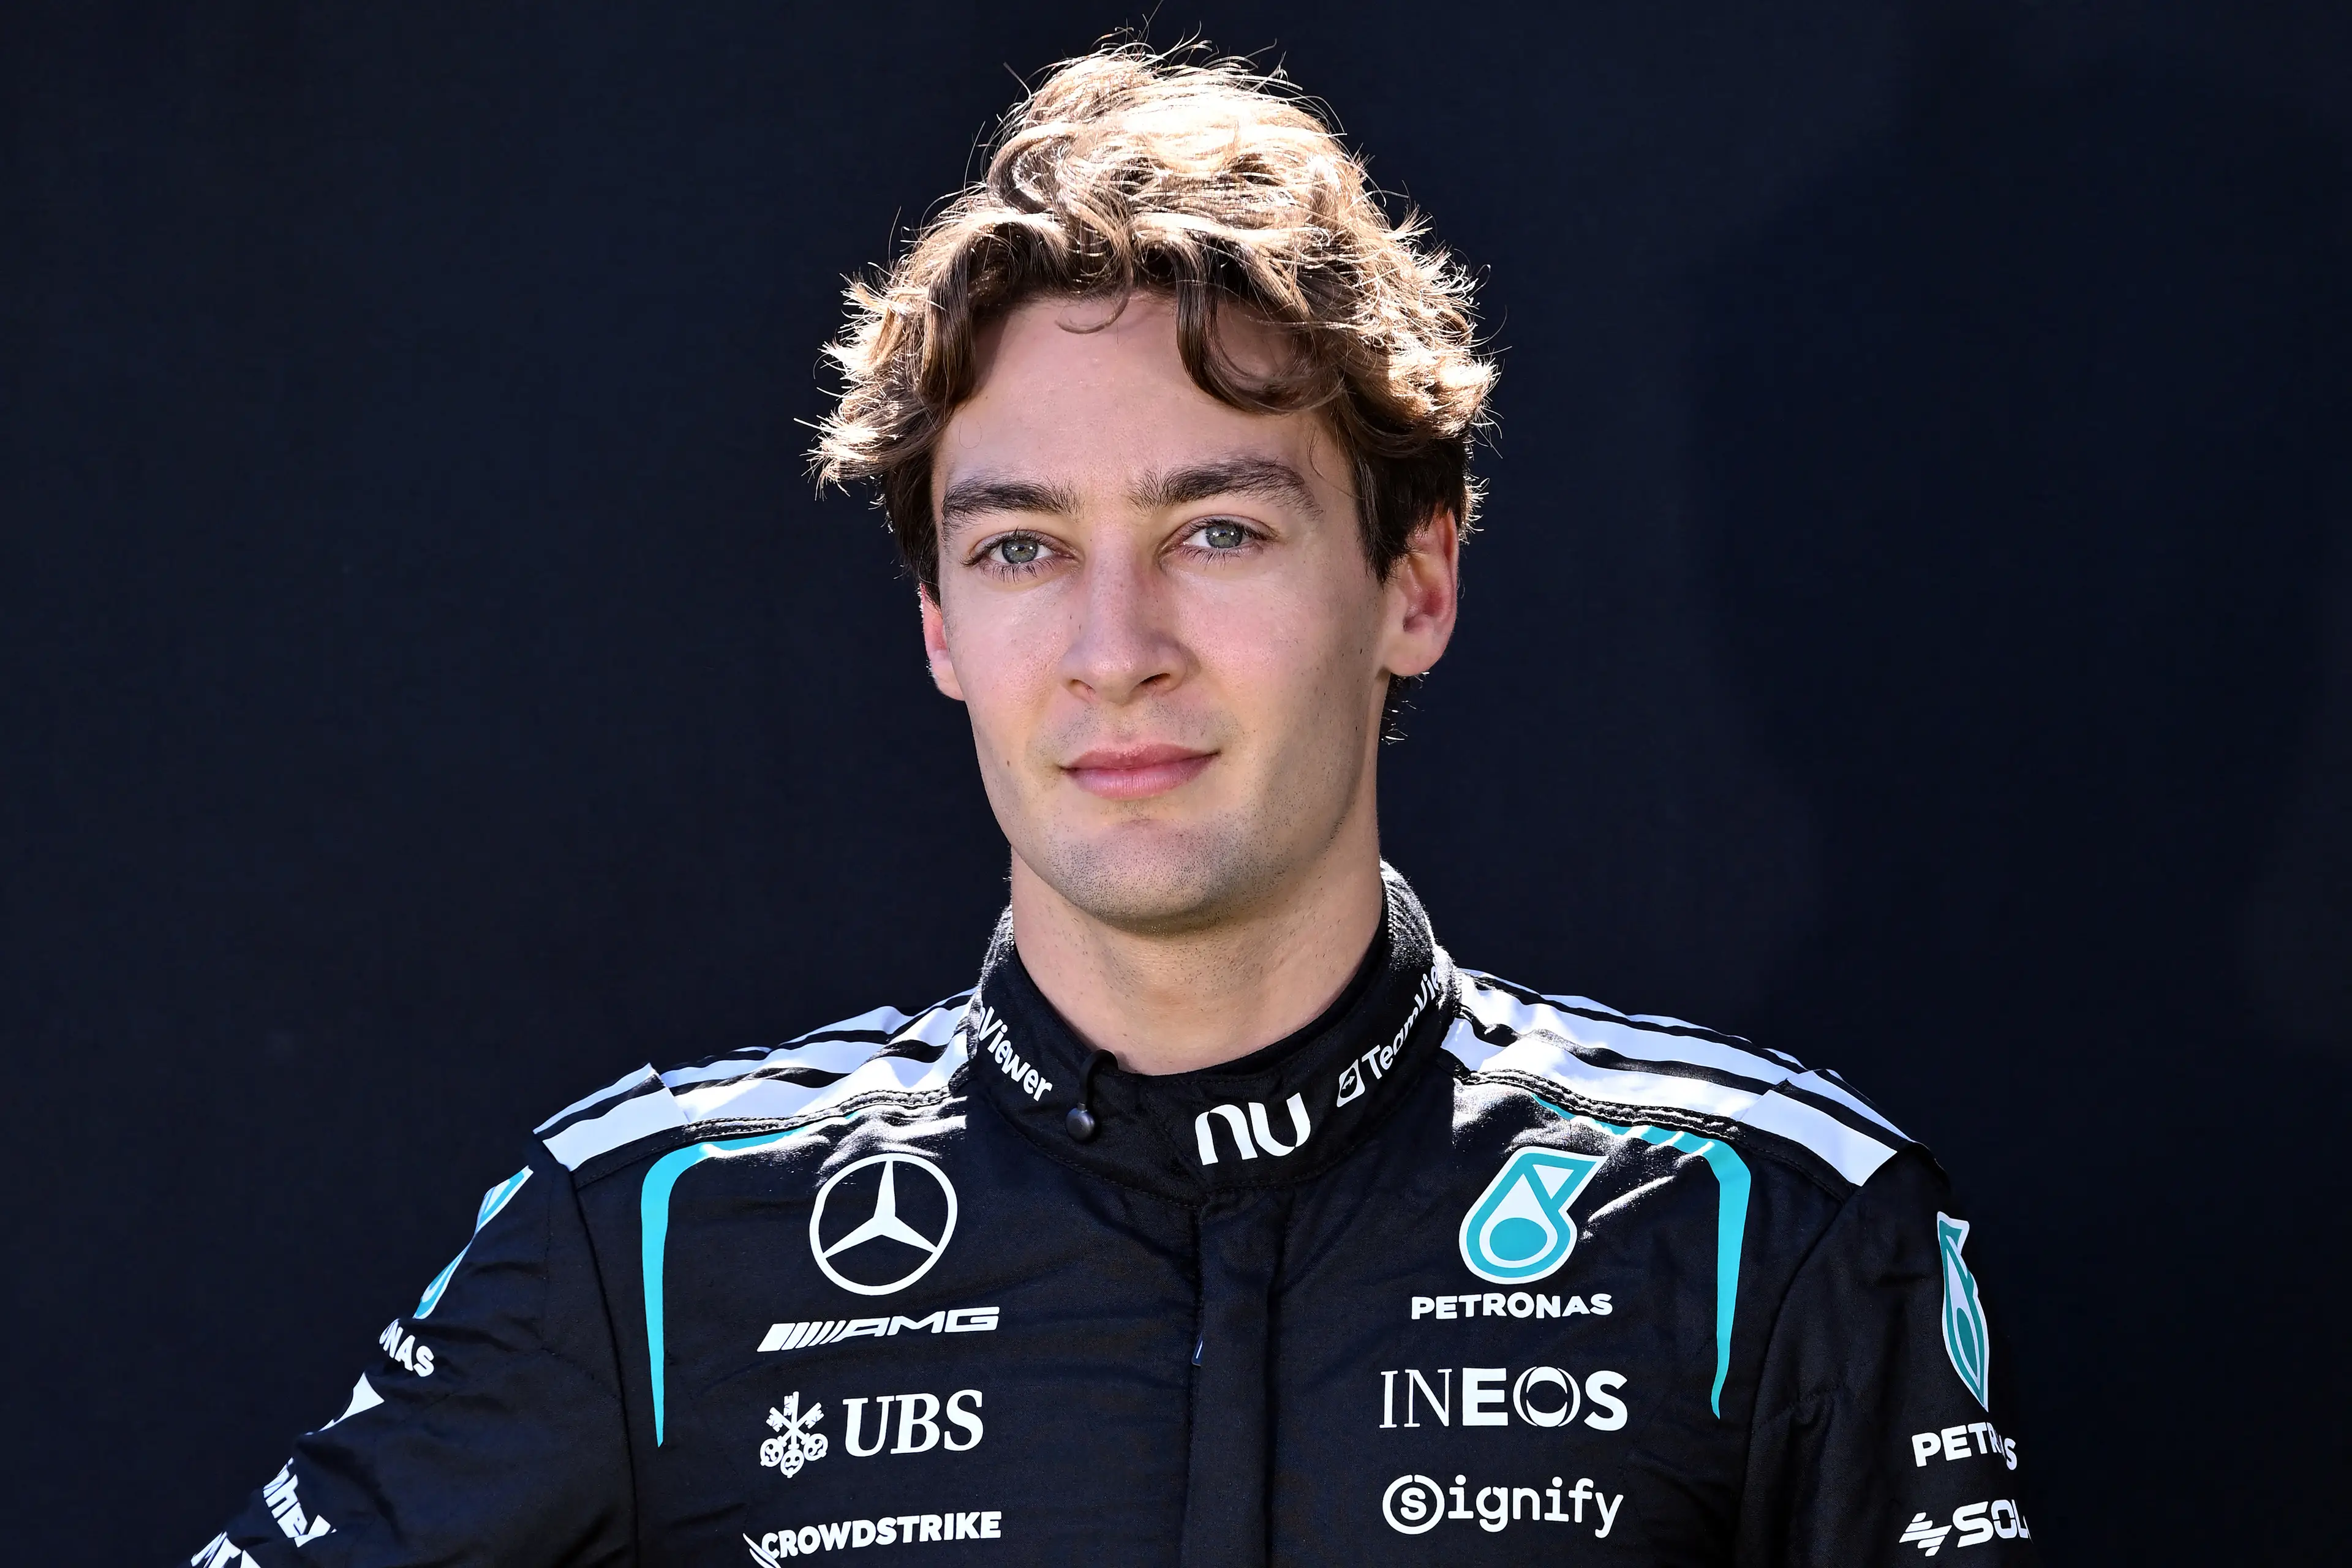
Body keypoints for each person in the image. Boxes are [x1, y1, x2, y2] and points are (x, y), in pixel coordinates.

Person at [188, 43, 2033, 1568]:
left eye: (1214, 530)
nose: (1113, 646)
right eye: (1021, 548)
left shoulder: (1767, 1230)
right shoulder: (646, 1243)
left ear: (1416, 584)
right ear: (936, 626)